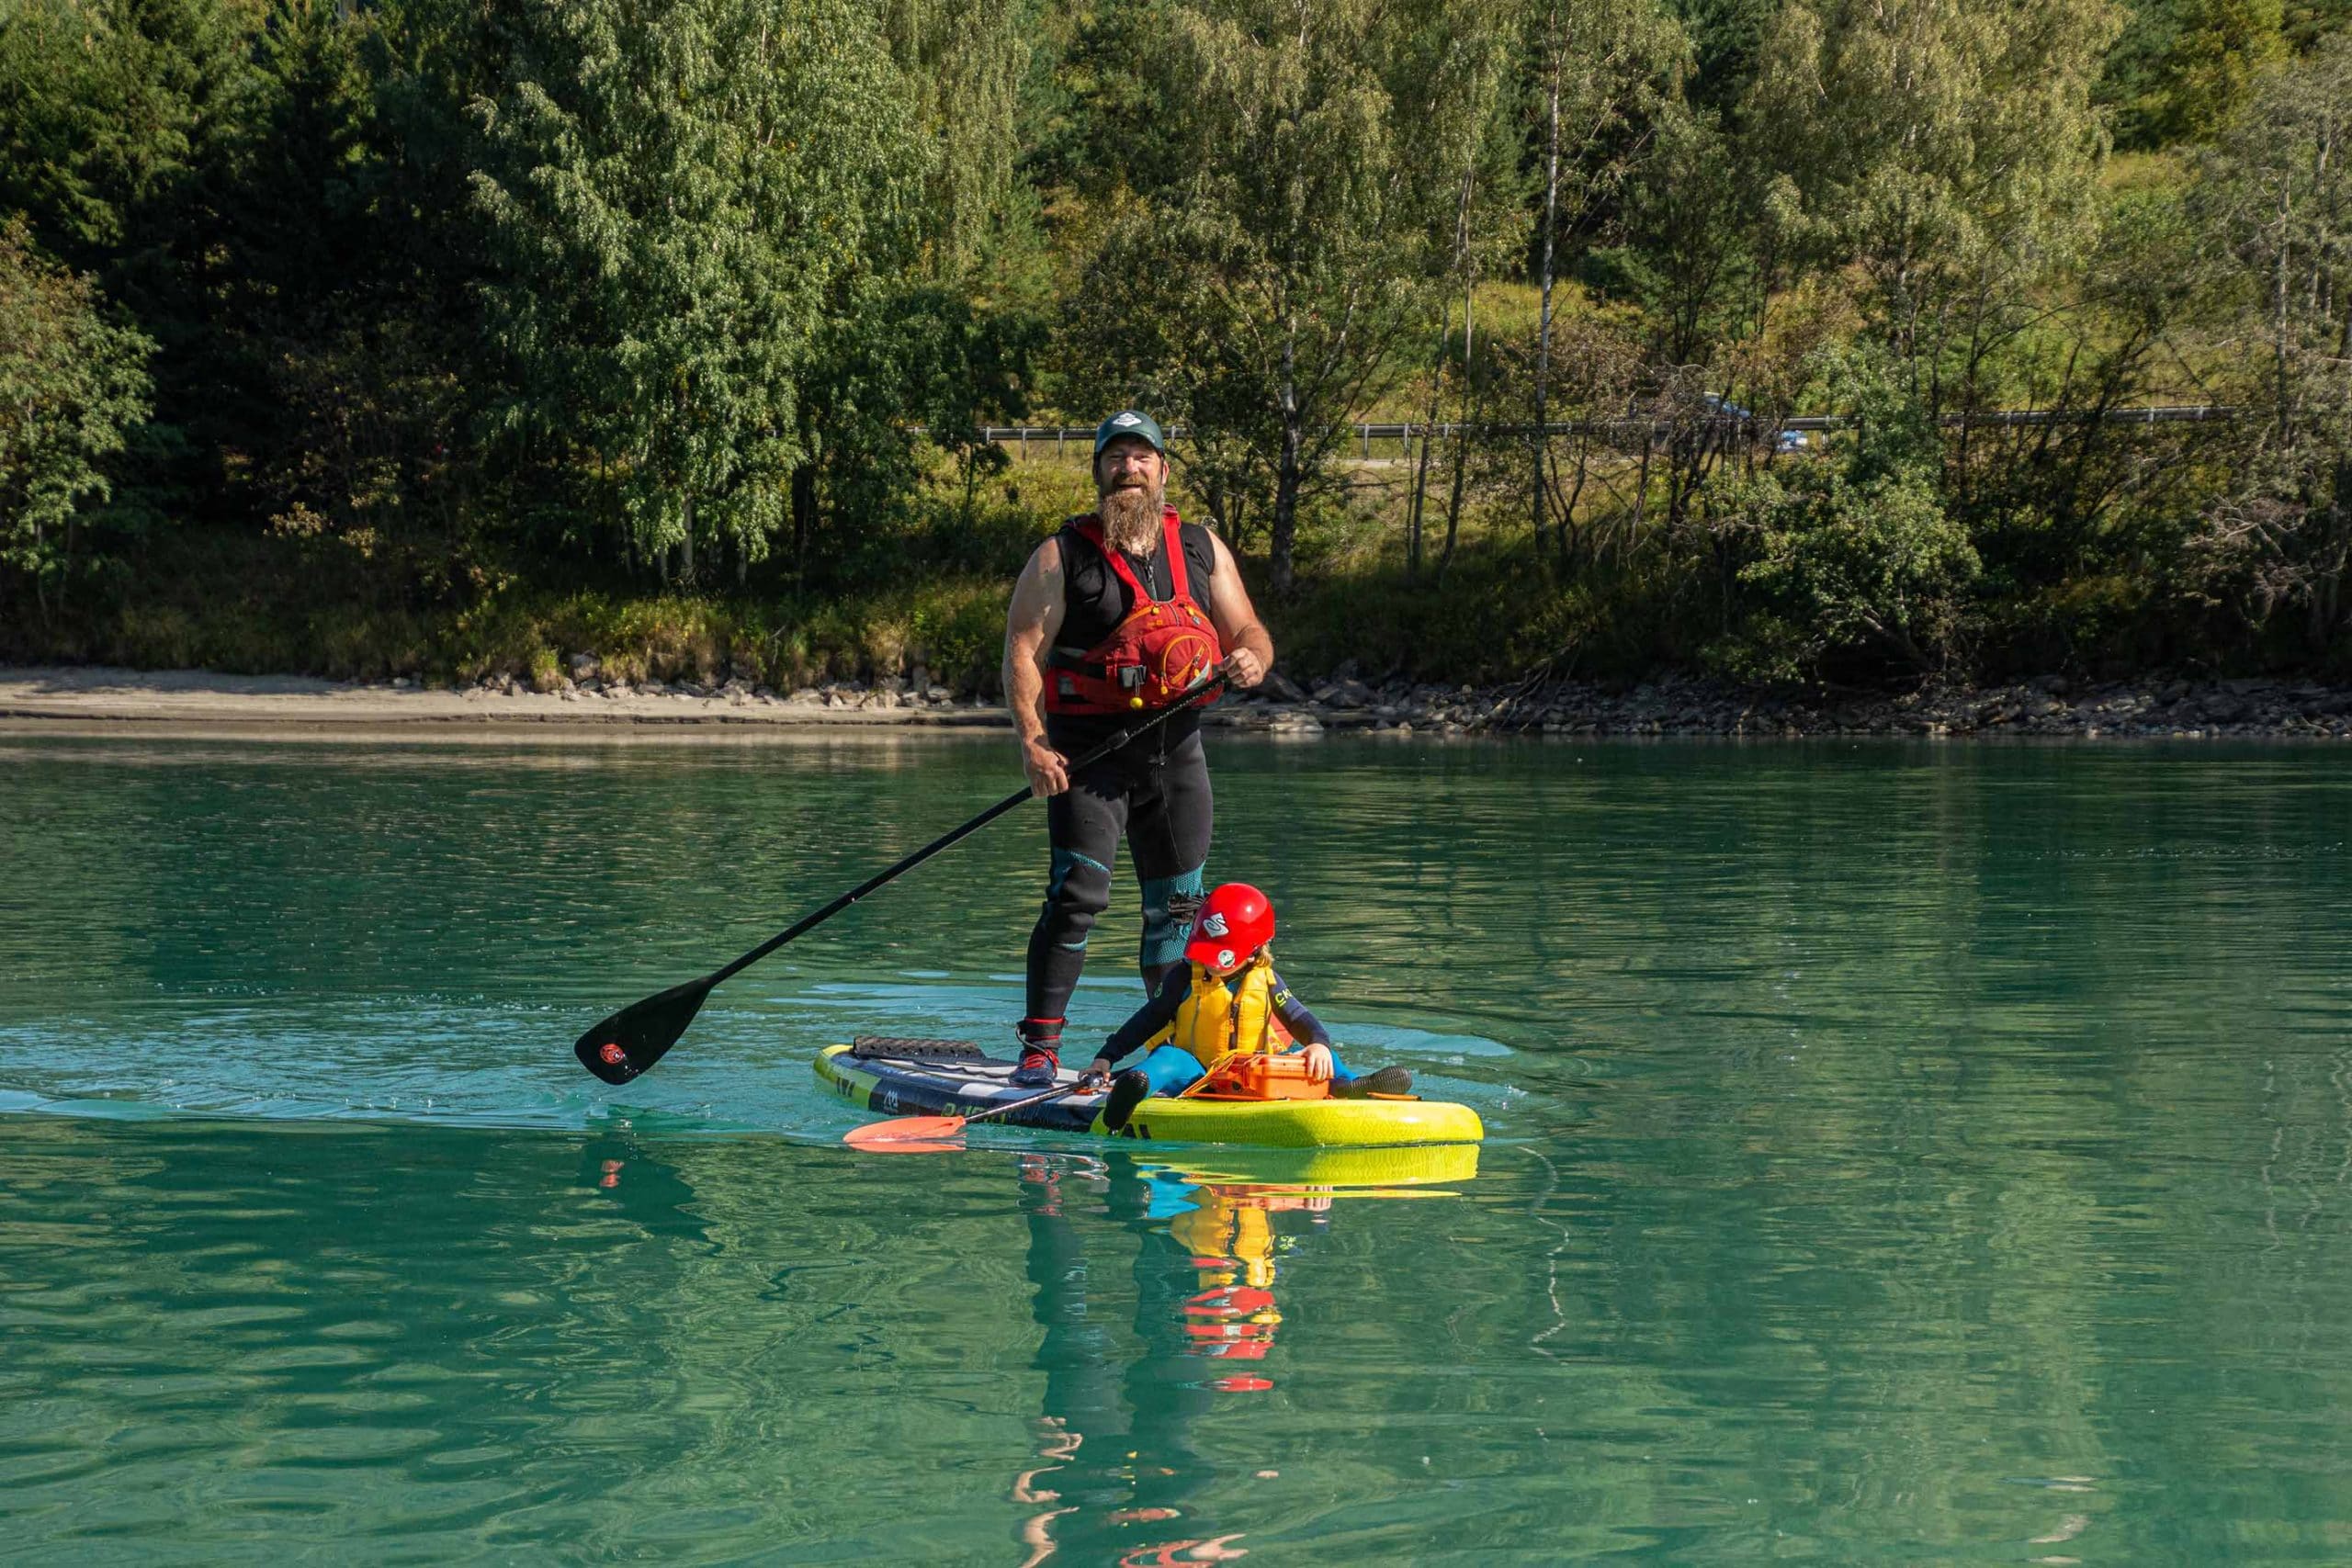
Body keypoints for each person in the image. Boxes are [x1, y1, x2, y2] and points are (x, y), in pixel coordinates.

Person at [1001, 410, 1275, 1087]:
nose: (1129, 468)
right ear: (1099, 473)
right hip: (1088, 762)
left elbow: (1250, 630)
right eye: (1115, 458)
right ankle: (1039, 1051)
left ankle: (1171, 1050)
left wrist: (1251, 659)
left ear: (1162, 470)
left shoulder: (1204, 548)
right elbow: (1022, 653)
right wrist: (1035, 745)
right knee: (1077, 897)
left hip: (1177, 759)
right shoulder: (1062, 555)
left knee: (1181, 909)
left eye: (1141, 456)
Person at [1075, 883, 1412, 1131]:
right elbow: (1147, 1020)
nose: (1209, 963)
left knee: (1320, 1057)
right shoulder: (1183, 977)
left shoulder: (1265, 979)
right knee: (1168, 1059)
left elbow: (1298, 1017)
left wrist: (1319, 1045)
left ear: (1253, 952)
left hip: (1249, 1075)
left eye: (1219, 956)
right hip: (1196, 1074)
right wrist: (1105, 1058)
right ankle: (1130, 1095)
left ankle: (1353, 1086)